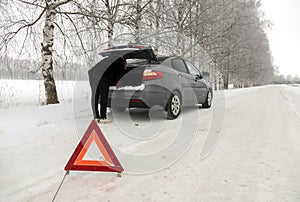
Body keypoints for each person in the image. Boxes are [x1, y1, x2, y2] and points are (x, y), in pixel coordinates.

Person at [88, 56, 127, 124]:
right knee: (104, 96)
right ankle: (103, 118)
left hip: (92, 73)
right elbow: (121, 75)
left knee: (95, 96)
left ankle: (96, 117)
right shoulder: (120, 61)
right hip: (102, 75)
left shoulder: (110, 59)